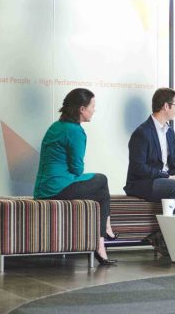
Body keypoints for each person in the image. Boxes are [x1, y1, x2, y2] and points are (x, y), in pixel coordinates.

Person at [34, 88, 118, 266]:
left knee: (101, 195)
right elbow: (77, 169)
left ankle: (101, 246)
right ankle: (105, 231)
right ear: (82, 109)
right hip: (58, 188)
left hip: (43, 189)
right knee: (101, 179)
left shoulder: (56, 126)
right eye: (92, 106)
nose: (94, 110)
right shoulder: (75, 131)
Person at [124, 88, 175, 215]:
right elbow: (138, 168)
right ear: (166, 106)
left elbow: (173, 160)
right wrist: (167, 177)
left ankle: (172, 226)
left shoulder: (169, 131)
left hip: (164, 180)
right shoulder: (142, 133)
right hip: (143, 182)